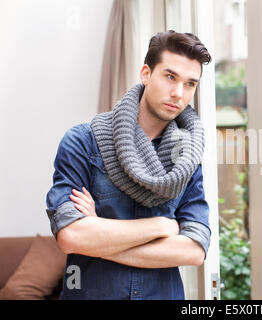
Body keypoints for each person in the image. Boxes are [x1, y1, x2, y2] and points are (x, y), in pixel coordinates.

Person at [45, 30, 212, 300]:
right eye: (170, 77)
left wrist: (99, 236)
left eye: (190, 84)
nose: (178, 93)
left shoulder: (187, 157)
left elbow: (193, 251)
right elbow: (71, 236)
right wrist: (161, 226)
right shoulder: (82, 142)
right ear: (146, 74)